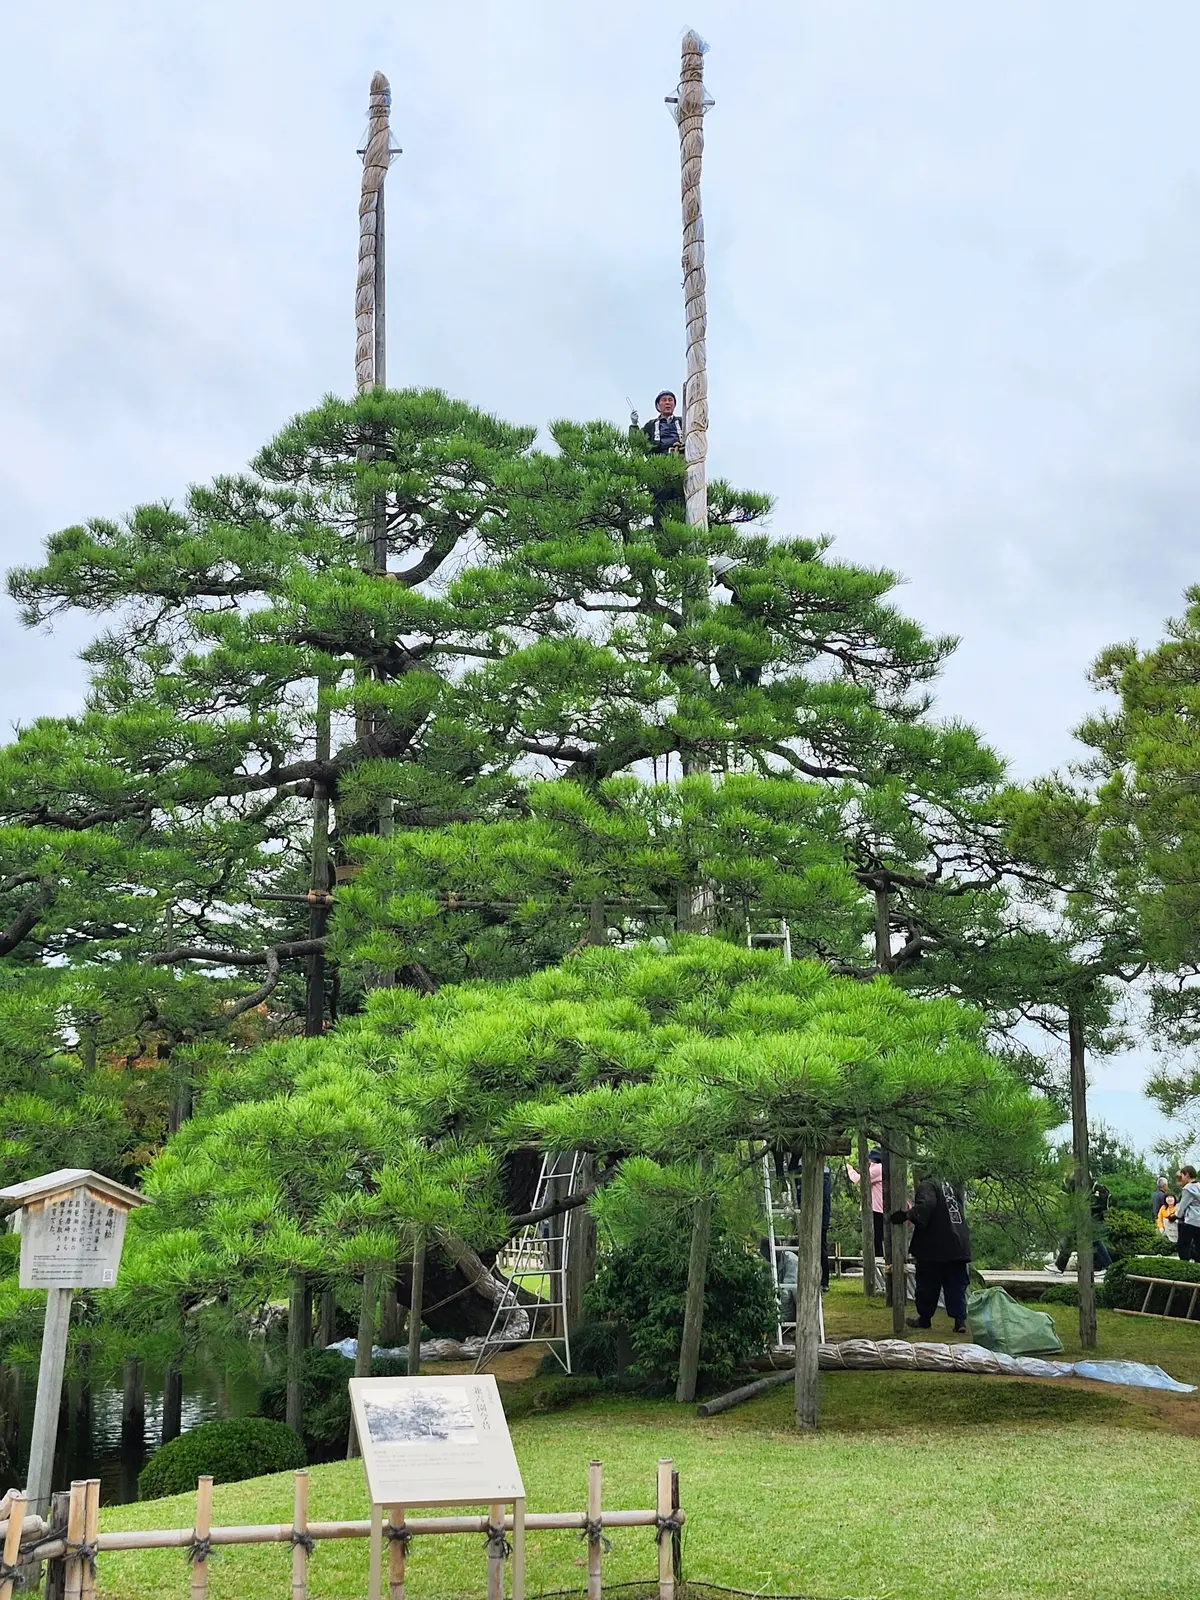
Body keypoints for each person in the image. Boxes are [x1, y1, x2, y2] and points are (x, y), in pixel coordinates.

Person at [891, 1171, 971, 1334]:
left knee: (928, 1283)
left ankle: (925, 1318)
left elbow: (927, 1205)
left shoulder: (928, 1185)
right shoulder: (949, 1185)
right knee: (956, 1283)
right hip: (958, 1242)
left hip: (936, 1243)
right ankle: (959, 1320)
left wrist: (907, 1215)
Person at [1053, 1177, 1112, 1273]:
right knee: (1076, 1241)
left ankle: (1108, 1267)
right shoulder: (1094, 1189)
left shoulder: (1094, 1190)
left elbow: (1093, 1206)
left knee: (1078, 1241)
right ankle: (1107, 1267)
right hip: (1089, 1219)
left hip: (1090, 1219)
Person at [848, 1148, 885, 1259]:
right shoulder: (879, 1168)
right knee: (875, 1238)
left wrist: (850, 1169)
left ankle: (877, 1263)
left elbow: (859, 1179)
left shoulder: (877, 1169)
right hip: (877, 1208)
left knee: (875, 1238)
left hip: (875, 1208)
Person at [1175, 1166, 1200, 1261]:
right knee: (1198, 1246)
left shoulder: (1187, 1189)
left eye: (1182, 1175)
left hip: (1191, 1220)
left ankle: (1185, 1266)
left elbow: (1182, 1206)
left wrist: (1177, 1215)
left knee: (1182, 1244)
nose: (1181, 1178)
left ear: (1187, 1175)